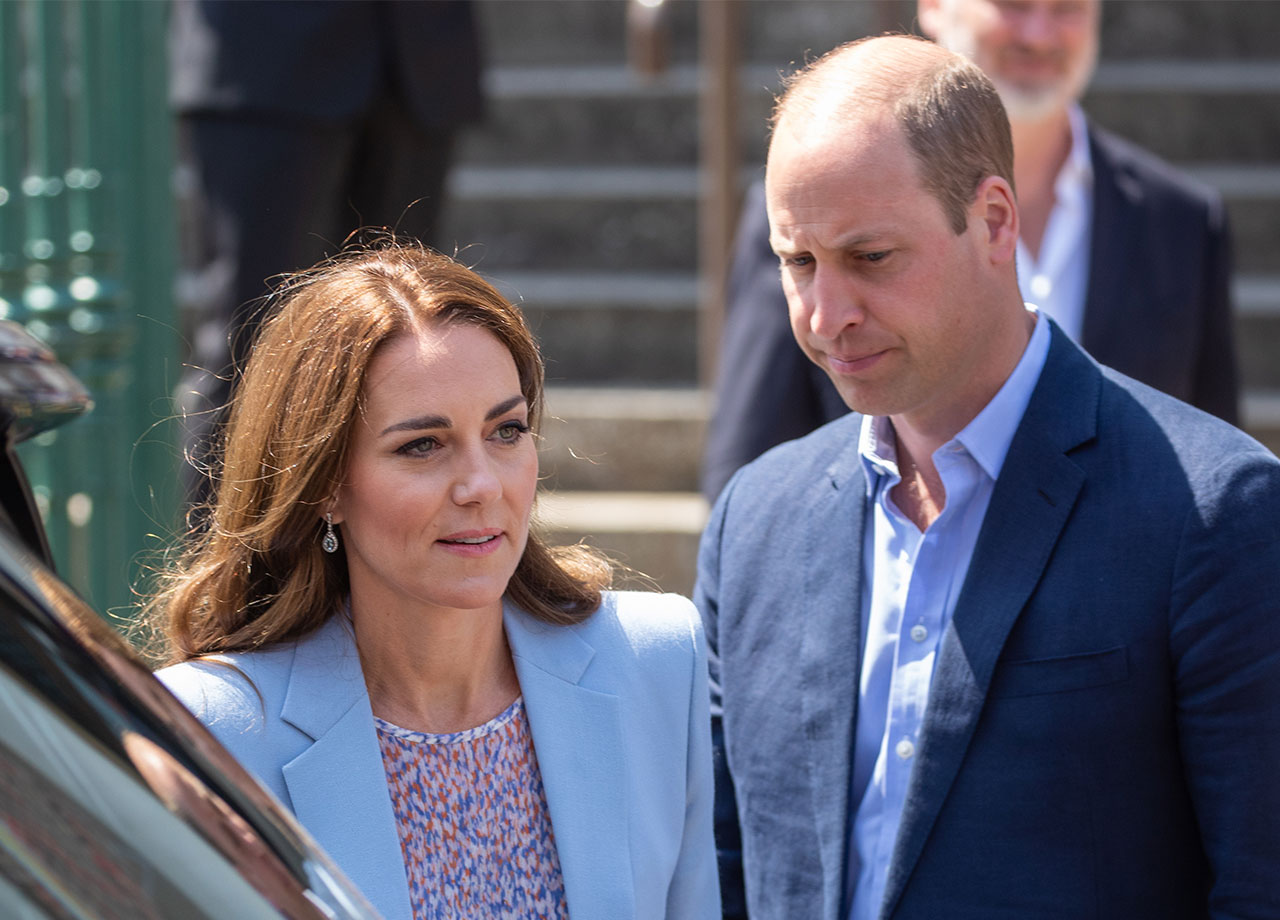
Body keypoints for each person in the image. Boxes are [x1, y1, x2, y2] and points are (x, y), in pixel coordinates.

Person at [695, 34, 1280, 920]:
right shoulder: (756, 522)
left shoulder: (1214, 510)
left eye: (871, 258)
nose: (826, 315)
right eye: (798, 262)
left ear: (997, 221)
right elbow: (721, 865)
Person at [151, 241, 720, 920]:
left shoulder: (657, 662)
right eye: (422, 445)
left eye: (506, 431)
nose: (481, 485)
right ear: (324, 486)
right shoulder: (211, 728)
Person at [701, 0, 1239, 502]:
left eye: (1067, 6)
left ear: (995, 221)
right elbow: (752, 466)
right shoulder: (807, 211)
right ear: (934, 6)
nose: (1039, 33)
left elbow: (1209, 466)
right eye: (1013, 4)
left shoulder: (1180, 219)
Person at [169, 0, 484, 505]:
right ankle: (225, 574)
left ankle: (406, 568)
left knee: (408, 336)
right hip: (265, 53)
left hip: (416, 52)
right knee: (251, 340)